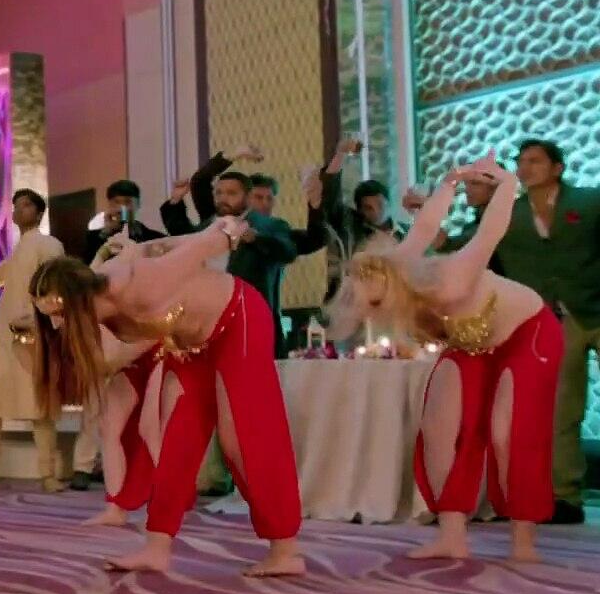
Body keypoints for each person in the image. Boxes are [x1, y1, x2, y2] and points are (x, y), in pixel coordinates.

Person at [27, 217, 305, 578]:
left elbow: (206, 244)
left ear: (80, 299)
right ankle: (157, 547)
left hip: (239, 319)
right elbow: (148, 251)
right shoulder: (100, 296)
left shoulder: (140, 284)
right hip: (188, 346)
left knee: (240, 437)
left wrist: (226, 229)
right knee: (176, 437)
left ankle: (285, 549)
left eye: (59, 315)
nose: (56, 325)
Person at [329, 154, 558, 561]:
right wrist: (449, 183)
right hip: (469, 341)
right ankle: (452, 535)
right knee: (439, 427)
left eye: (376, 305)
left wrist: (507, 185)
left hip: (526, 332)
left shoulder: (449, 280)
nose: (376, 316)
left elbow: (490, 232)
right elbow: (427, 223)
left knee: (507, 432)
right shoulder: (397, 263)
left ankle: (523, 540)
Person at [493, 138, 599, 525]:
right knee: (561, 410)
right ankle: (565, 496)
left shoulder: (589, 202)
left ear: (557, 168)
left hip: (595, 306)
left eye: (535, 160)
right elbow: (468, 246)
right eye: (521, 161)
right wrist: (427, 223)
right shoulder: (509, 214)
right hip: (555, 321)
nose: (526, 167)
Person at [0, 188, 68, 491]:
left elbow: (56, 287)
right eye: (16, 205)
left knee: (40, 405)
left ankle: (48, 474)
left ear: (39, 212)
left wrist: (42, 321)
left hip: (35, 334)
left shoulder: (49, 245)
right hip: (4, 337)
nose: (18, 210)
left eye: (25, 205)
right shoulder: (19, 250)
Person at [161, 150, 300, 357]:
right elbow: (182, 238)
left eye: (231, 193)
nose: (223, 198)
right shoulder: (209, 226)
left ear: (248, 198)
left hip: (251, 322)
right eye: (219, 193)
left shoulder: (269, 225)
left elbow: (288, 252)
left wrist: (256, 239)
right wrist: (175, 201)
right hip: (209, 326)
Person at [81, 179, 164, 264]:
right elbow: (88, 267)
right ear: (109, 205)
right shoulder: (94, 237)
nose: (121, 208)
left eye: (127, 202)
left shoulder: (156, 238)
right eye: (116, 202)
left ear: (138, 204)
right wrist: (106, 233)